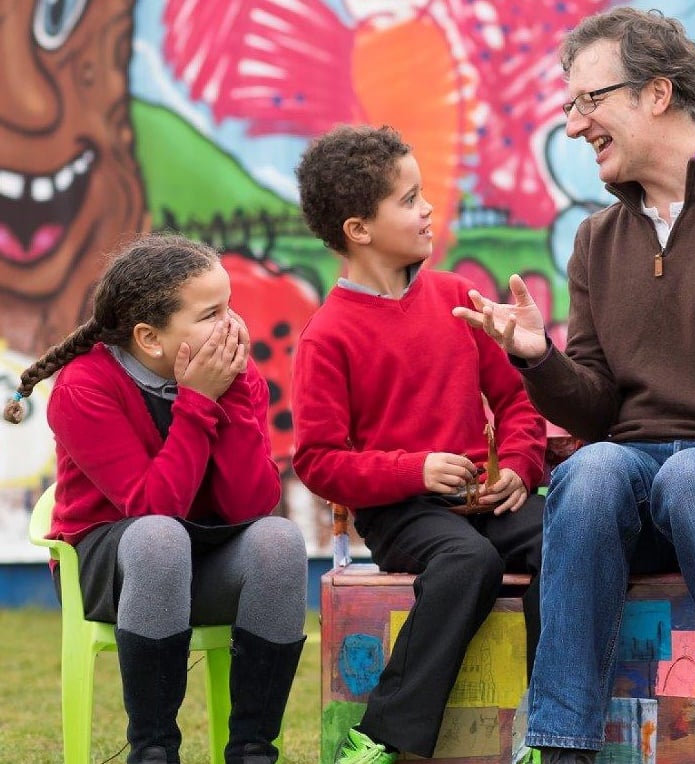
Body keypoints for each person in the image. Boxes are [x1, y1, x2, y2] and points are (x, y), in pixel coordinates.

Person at [453, 8, 695, 764]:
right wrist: (539, 358)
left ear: (657, 93)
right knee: (592, 467)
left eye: (589, 102)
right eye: (571, 107)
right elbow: (598, 406)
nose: (575, 126)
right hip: (640, 475)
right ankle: (562, 746)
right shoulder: (597, 238)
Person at [291, 124, 547, 764]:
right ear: (359, 229)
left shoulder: (457, 297)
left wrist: (518, 464)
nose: (428, 208)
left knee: (576, 535)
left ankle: (551, 729)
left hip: (487, 501)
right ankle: (381, 739)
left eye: (422, 193)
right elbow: (319, 462)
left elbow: (517, 399)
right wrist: (415, 470)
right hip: (402, 512)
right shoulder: (328, 336)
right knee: (468, 564)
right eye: (408, 199)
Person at [4, 233, 308, 764]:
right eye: (213, 313)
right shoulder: (85, 386)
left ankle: (254, 750)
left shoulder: (235, 375)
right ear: (149, 337)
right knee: (160, 537)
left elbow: (250, 506)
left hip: (206, 556)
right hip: (115, 566)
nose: (234, 326)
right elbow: (152, 507)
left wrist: (228, 395)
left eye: (230, 306)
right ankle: (152, 750)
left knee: (279, 539)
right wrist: (195, 402)